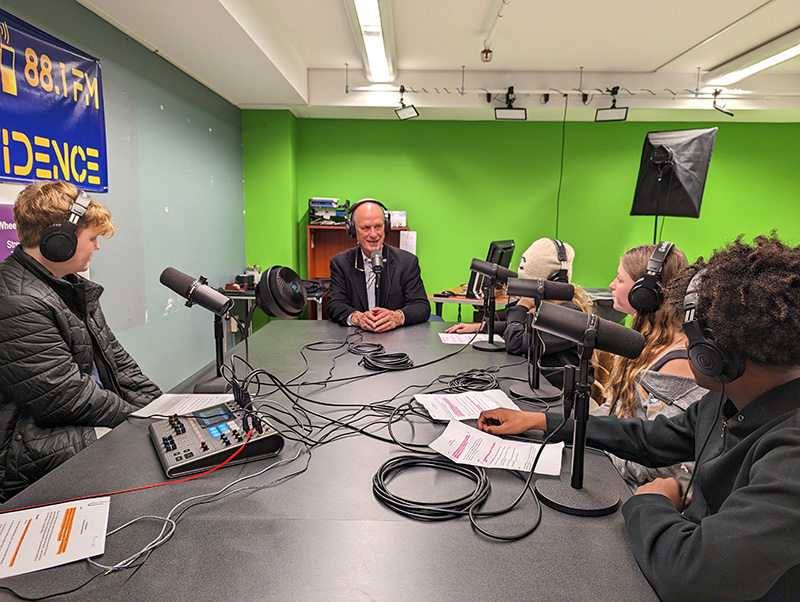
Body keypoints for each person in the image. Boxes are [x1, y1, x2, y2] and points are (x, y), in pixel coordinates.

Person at [478, 233, 800, 601]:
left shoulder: (791, 454)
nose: (684, 341)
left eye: (690, 332)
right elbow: (649, 439)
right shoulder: (727, 400)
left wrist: (653, 501)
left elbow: (695, 576)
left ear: (718, 352)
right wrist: (542, 422)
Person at [0, 181, 162, 501]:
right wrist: (135, 420)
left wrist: (160, 408)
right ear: (58, 242)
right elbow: (63, 396)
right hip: (23, 452)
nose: (97, 247)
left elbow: (117, 361)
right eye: (92, 238)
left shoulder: (68, 286)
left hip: (70, 427)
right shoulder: (15, 300)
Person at [595, 242, 706, 491]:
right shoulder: (642, 339)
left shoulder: (675, 362)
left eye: (620, 279)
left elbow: (667, 463)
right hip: (620, 466)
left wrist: (602, 443)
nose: (612, 285)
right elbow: (615, 410)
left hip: (641, 488)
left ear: (644, 294)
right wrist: (582, 429)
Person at [446, 238, 591, 389]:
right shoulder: (551, 306)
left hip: (558, 394)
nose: (525, 286)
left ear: (551, 281)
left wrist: (522, 306)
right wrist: (481, 327)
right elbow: (526, 329)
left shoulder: (568, 314)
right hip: (541, 384)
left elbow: (516, 342)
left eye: (529, 281)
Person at [327, 198, 430, 332]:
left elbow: (421, 306)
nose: (373, 234)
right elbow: (335, 304)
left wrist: (397, 317)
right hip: (356, 341)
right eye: (365, 228)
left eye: (378, 227)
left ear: (386, 226)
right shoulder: (340, 263)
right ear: (353, 230)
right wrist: (357, 317)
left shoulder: (407, 262)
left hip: (398, 342)